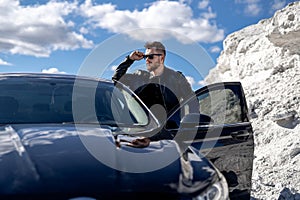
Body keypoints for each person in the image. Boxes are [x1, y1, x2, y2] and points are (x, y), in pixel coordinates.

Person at [112, 41, 199, 147]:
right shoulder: (138, 77)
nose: (147, 60)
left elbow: (192, 102)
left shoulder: (176, 78)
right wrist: (129, 59)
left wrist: (190, 128)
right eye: (145, 57)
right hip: (139, 135)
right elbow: (117, 80)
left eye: (150, 56)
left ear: (161, 58)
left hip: (168, 136)